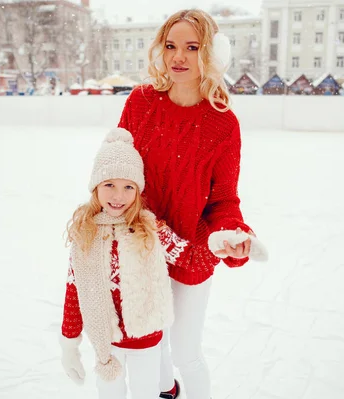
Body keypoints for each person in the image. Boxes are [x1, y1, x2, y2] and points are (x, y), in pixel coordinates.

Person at [117, 9, 267, 399]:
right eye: (170, 46)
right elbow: (119, 166)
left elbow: (223, 199)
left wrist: (229, 233)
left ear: (212, 54)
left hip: (191, 251)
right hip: (141, 243)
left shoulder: (222, 123)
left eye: (191, 47)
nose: (178, 57)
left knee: (185, 350)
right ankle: (167, 391)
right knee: (148, 340)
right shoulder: (141, 102)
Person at [60, 127, 228, 399]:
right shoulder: (85, 234)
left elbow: (189, 258)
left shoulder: (151, 229)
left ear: (138, 191)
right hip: (106, 340)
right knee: (109, 393)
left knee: (144, 393)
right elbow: (74, 288)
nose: (118, 196)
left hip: (146, 338)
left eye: (128, 187)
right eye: (109, 185)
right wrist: (69, 344)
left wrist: (219, 245)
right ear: (95, 187)